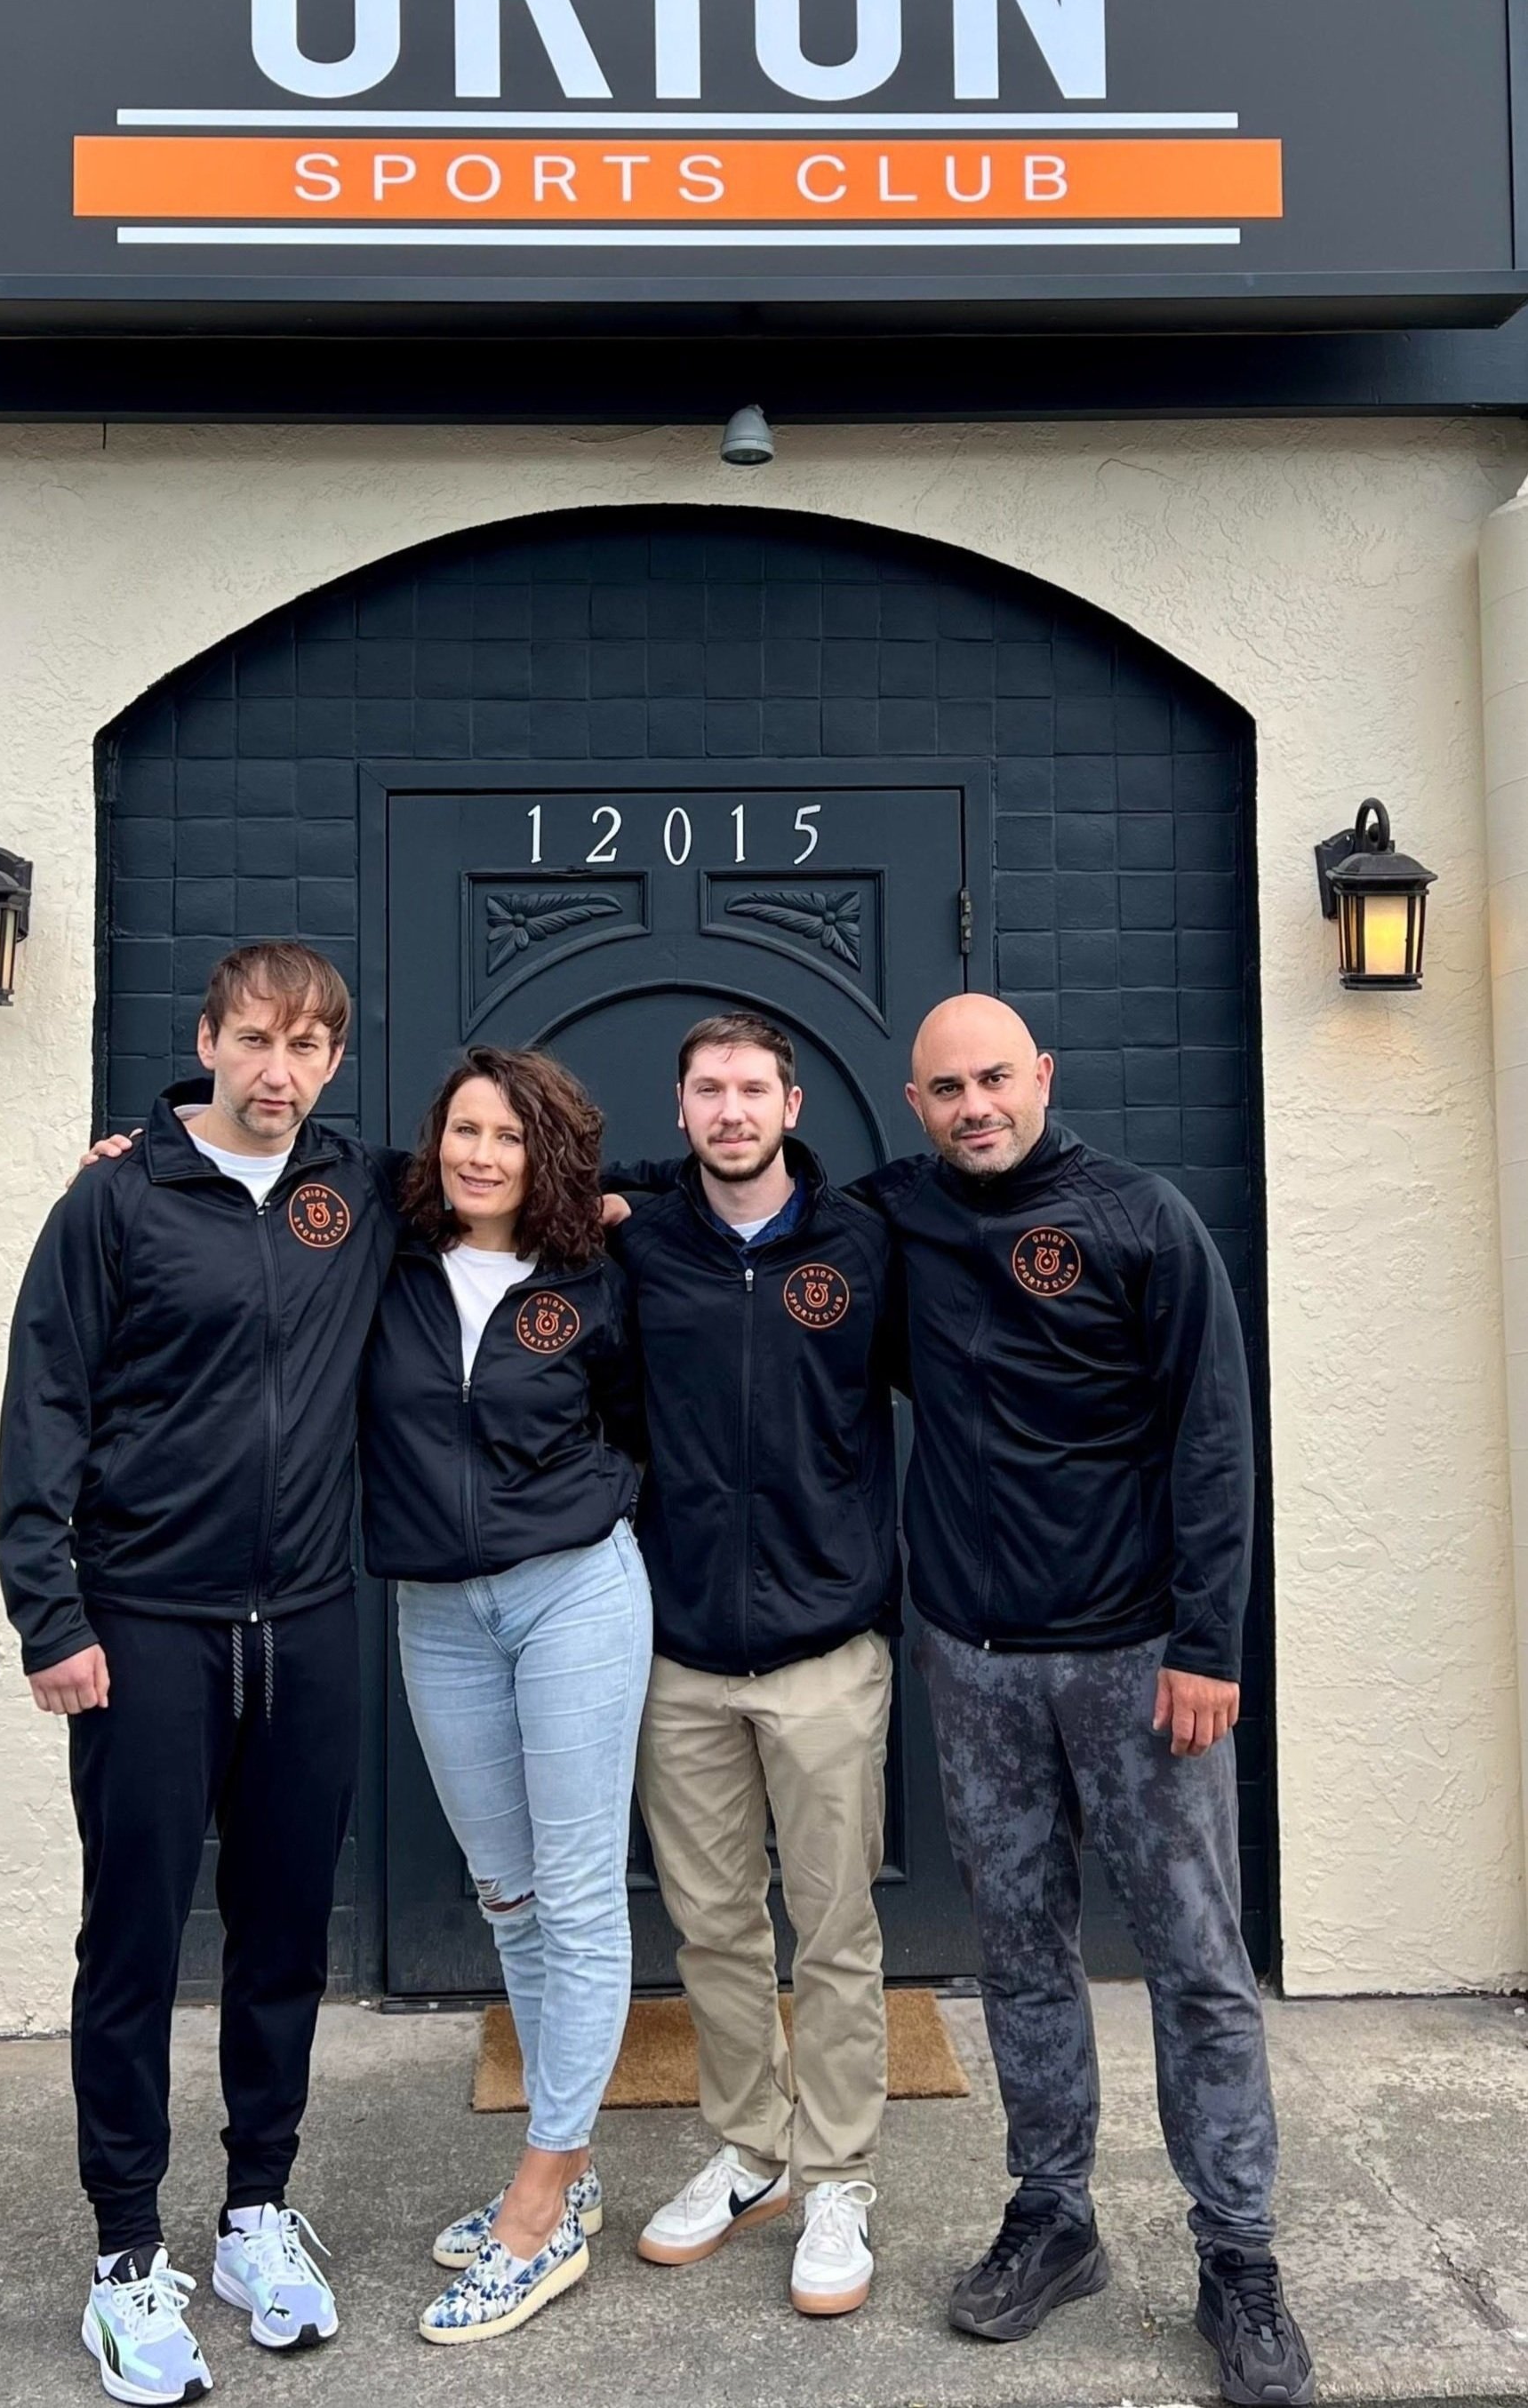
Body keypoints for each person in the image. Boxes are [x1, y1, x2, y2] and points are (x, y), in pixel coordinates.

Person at [851, 993, 1315, 2408]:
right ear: (916, 1103)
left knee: (1195, 1962)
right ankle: (1052, 2213)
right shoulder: (897, 1216)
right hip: (975, 1656)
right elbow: (738, 1206)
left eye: (994, 1076)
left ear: (1041, 1073)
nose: (974, 1104)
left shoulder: (1141, 1219)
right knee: (1019, 1949)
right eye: (946, 1087)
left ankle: (1237, 2254)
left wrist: (1208, 1645)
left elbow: (1212, 1441)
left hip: (1136, 1657)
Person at [0, 943, 393, 2404]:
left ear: (334, 1059)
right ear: (209, 1041)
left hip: (309, 1622)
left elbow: (518, 1178)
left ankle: (254, 2214)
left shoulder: (359, 1192)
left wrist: (621, 1198)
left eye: (307, 1047)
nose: (278, 1071)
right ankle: (123, 2255)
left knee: (284, 1934)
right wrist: (51, 1614)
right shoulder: (114, 1199)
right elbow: (44, 1403)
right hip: (147, 1624)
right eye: (255, 1041)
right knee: (136, 1942)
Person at [603, 1015, 902, 2316]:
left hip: (825, 1649)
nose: (731, 1110)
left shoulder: (865, 1244)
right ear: (679, 1108)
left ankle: (837, 2173)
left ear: (792, 1103)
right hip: (677, 1654)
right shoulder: (636, 1241)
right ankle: (751, 2152)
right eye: (708, 1089)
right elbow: (459, 1189)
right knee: (714, 1926)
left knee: (833, 1928)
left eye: (752, 1089)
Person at [358, 1045, 650, 2347]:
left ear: (550, 1157)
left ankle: (541, 2201)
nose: (482, 1154)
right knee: (510, 1893)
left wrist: (594, 1505)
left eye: (511, 1136)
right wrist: (146, 1142)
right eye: (464, 1130)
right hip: (438, 1610)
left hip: (573, 1592)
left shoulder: (595, 1274)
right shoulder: (384, 1255)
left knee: (577, 1893)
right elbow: (271, 1166)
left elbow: (637, 1417)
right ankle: (566, 2163)